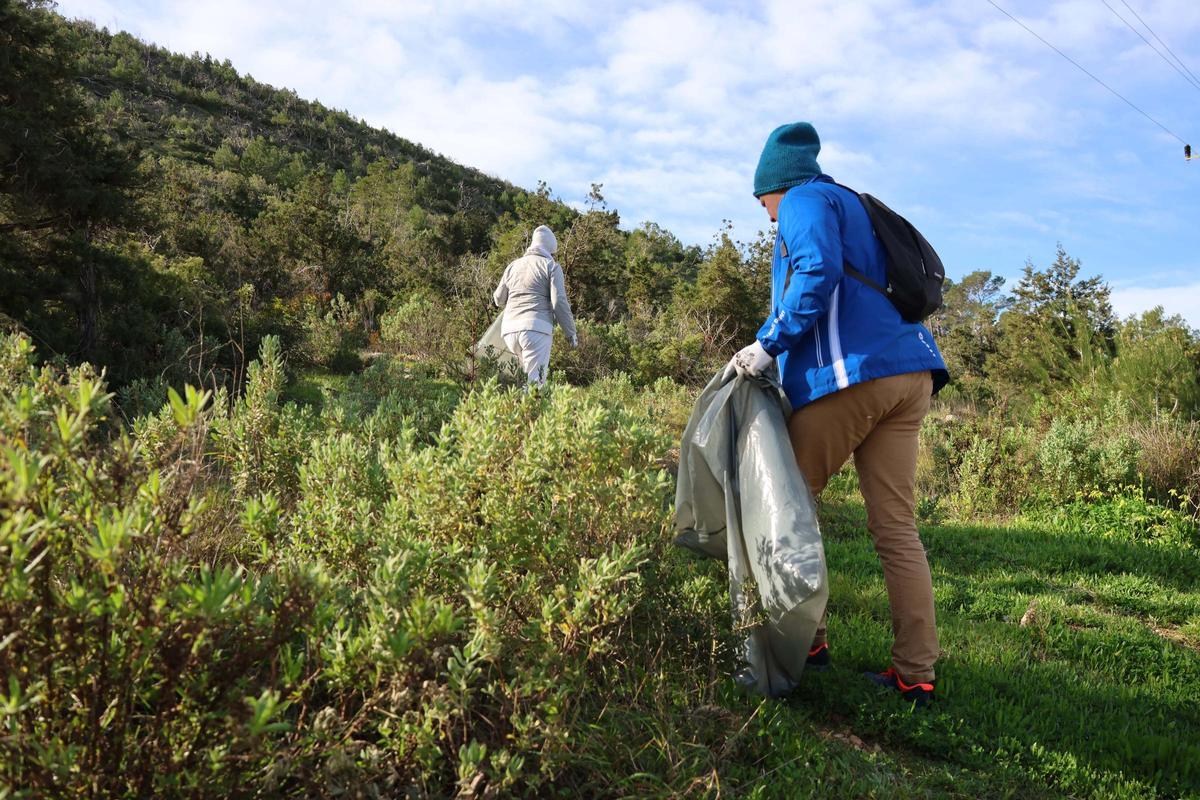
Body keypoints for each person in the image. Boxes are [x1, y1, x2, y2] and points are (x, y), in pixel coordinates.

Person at [731, 122, 950, 706]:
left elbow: (817, 272)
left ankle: (805, 646)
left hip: (852, 375)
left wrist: (767, 344)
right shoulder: (853, 202)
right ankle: (915, 674)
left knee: (788, 505)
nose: (770, 219)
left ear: (773, 187)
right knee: (896, 528)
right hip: (912, 373)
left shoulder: (804, 198)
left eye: (764, 206)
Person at [493, 225, 578, 386]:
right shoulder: (551, 266)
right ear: (549, 248)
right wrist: (571, 333)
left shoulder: (512, 266)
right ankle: (532, 411)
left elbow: (498, 299)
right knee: (534, 385)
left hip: (509, 331)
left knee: (518, 383)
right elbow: (559, 302)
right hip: (536, 329)